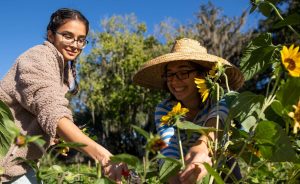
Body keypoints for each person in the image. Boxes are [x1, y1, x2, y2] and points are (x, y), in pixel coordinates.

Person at [0, 8, 126, 183]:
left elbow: (39, 112)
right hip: (5, 163)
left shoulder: (63, 70)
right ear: (51, 35)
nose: (75, 45)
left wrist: (53, 136)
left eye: (81, 40)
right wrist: (102, 156)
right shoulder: (38, 57)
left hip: (20, 165)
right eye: (67, 36)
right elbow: (51, 109)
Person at [133, 38, 244, 183]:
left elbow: (218, 119)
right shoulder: (165, 108)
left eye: (183, 72)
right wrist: (173, 175)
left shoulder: (218, 97)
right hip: (184, 172)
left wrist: (202, 147)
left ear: (202, 75)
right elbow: (169, 148)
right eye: (170, 74)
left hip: (220, 167)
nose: (174, 81)